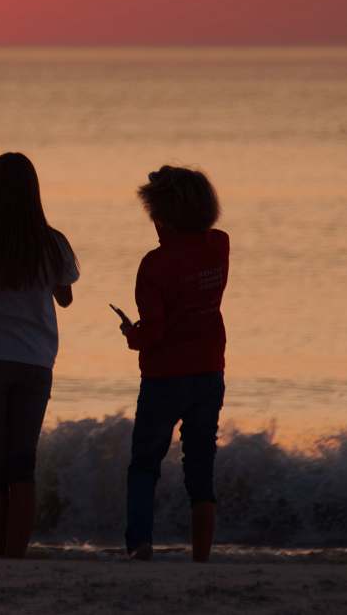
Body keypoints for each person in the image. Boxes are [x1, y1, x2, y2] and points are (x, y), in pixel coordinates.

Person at [0, 152, 78, 558]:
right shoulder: (53, 243)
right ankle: (16, 554)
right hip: (34, 361)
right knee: (24, 460)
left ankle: (3, 550)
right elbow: (66, 297)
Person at [120, 166, 228, 563]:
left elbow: (154, 331)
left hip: (165, 376)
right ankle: (202, 554)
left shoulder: (154, 265)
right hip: (209, 371)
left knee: (145, 463)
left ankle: (140, 544)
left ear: (162, 216)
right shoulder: (219, 245)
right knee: (201, 465)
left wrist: (132, 335)